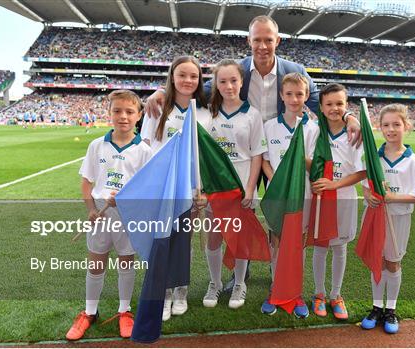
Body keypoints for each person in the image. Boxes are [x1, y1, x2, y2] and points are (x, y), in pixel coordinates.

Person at [144, 15, 362, 291]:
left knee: (278, 212)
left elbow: (322, 100)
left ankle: (277, 270)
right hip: (248, 152)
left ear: (277, 41)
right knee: (239, 216)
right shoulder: (238, 70)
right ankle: (238, 275)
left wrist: (351, 115)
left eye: (268, 40)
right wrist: (160, 92)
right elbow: (201, 91)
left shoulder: (295, 69)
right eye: (257, 40)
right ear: (248, 41)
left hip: (280, 151)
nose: (262, 46)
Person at [66, 90, 152, 341]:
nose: (123, 116)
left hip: (128, 216)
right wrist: (91, 209)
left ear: (139, 115)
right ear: (110, 113)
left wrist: (128, 201)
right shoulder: (97, 145)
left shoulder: (144, 151)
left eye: (129, 112)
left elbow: (148, 189)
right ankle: (90, 312)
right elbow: (86, 182)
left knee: (126, 262)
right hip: (101, 215)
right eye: (117, 111)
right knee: (96, 264)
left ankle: (124, 311)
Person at [140, 55, 212, 321]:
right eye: (182, 75)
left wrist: (201, 190)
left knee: (184, 241)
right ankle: (164, 293)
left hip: (190, 188)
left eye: (193, 76)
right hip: (162, 187)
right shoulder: (158, 108)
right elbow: (145, 149)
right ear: (172, 77)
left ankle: (180, 290)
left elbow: (205, 155)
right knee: (162, 240)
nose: (188, 81)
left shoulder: (204, 113)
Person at [202, 59, 267, 309]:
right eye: (222, 81)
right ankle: (215, 283)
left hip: (240, 189)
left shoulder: (252, 115)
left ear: (241, 82)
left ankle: (240, 283)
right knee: (214, 238)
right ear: (215, 84)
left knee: (240, 239)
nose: (229, 86)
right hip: (214, 190)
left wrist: (250, 189)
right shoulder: (207, 113)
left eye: (233, 80)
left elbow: (256, 155)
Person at [360, 103, 415, 334]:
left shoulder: (413, 161)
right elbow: (365, 186)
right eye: (386, 125)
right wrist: (369, 195)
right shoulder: (373, 157)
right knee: (377, 261)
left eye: (396, 124)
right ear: (379, 128)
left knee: (392, 262)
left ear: (406, 126)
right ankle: (376, 306)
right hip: (375, 217)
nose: (391, 129)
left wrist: (392, 197)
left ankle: (391, 309)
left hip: (398, 219)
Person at [262, 72, 319, 318]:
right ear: (281, 96)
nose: (294, 99)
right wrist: (276, 180)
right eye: (289, 94)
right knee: (276, 240)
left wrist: (299, 156)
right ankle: (276, 288)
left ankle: (295, 293)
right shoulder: (269, 126)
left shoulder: (313, 128)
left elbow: (315, 165)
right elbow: (265, 160)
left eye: (299, 94)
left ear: (306, 95)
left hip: (301, 193)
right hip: (277, 194)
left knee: (298, 242)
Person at [309, 84, 367, 320]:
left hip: (343, 197)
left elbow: (363, 171)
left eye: (339, 104)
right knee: (321, 246)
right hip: (320, 197)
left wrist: (334, 184)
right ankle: (319, 294)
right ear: (321, 108)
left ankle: (336, 295)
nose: (334, 108)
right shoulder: (313, 130)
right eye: (329, 104)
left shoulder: (354, 133)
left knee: (340, 247)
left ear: (346, 107)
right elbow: (308, 161)